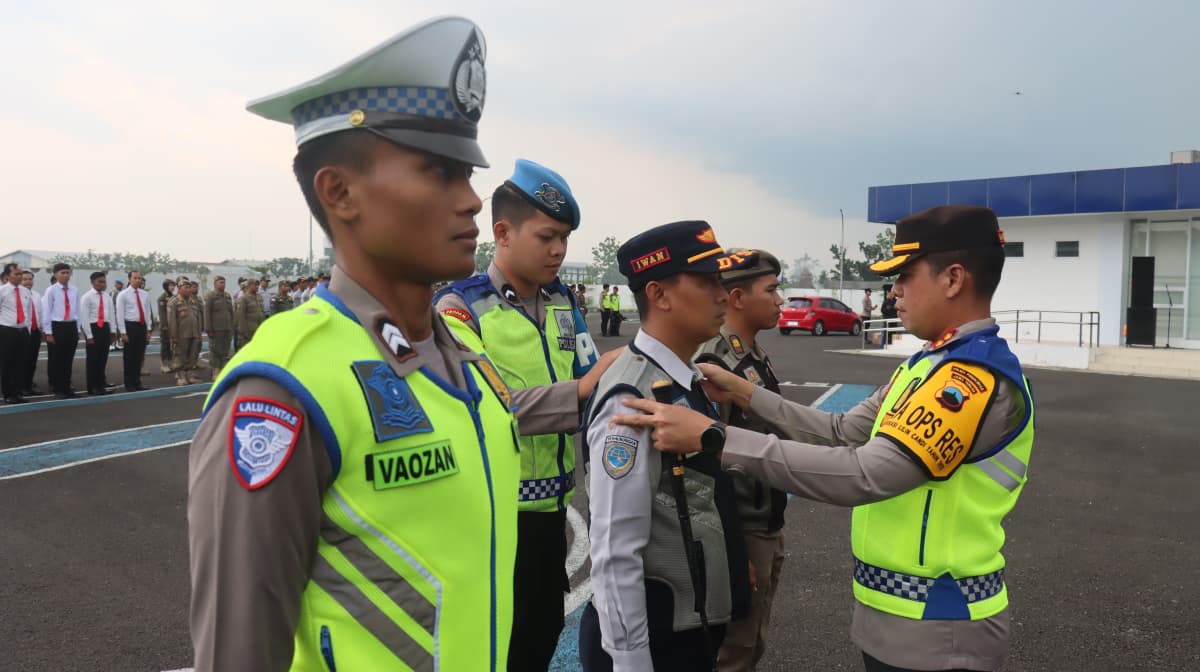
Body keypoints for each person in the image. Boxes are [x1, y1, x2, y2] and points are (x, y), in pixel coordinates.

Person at [188, 16, 522, 672]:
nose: (472, 201)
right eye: (440, 172)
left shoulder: (458, 351)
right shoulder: (284, 385)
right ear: (339, 193)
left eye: (469, 174)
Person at [615, 205, 1034, 672]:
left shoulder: (966, 381)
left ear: (953, 279)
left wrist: (715, 437)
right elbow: (842, 431)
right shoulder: (926, 366)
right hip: (905, 621)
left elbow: (863, 473)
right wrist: (745, 392)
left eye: (905, 275)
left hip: (941, 625)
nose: (893, 291)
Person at [434, 159, 613, 671]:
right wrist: (579, 389)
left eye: (565, 239)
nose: (559, 250)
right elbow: (489, 407)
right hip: (492, 519)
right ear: (502, 233)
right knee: (493, 648)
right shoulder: (460, 309)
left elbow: (591, 379)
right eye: (548, 236)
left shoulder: (563, 303)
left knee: (540, 634)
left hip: (552, 513)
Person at [579, 220, 753, 672]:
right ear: (659, 294)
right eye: (707, 281)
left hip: (686, 625)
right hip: (654, 638)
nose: (722, 295)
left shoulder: (681, 378)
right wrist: (631, 662)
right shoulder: (633, 396)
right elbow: (616, 547)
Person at [693, 249, 788, 672]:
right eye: (771, 290)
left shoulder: (752, 355)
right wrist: (733, 550)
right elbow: (707, 466)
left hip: (765, 521)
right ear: (737, 297)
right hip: (743, 529)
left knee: (752, 644)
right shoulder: (717, 360)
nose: (780, 300)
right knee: (734, 651)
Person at [42, 262, 81, 399]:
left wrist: (77, 328)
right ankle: (58, 388)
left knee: (68, 360)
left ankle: (67, 386)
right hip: (57, 326)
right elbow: (47, 311)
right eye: (62, 273)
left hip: (70, 326)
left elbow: (77, 310)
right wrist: (49, 332)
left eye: (67, 272)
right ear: (55, 275)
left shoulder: (74, 290)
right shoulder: (51, 290)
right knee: (57, 359)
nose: (65, 275)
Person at [0, 263, 33, 404]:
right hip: (7, 330)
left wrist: (28, 330)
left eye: (21, 274)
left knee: (21, 364)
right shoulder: (2, 291)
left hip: (22, 331)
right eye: (16, 274)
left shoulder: (25, 291)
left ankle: (17, 392)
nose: (19, 277)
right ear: (7, 276)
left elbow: (28, 312)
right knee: (7, 363)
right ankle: (8, 394)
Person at [80, 271, 117, 395]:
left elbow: (111, 315)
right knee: (93, 360)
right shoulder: (87, 297)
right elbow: (84, 318)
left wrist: (112, 331)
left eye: (104, 281)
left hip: (105, 328)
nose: (103, 284)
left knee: (102, 359)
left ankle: (101, 385)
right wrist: (89, 335)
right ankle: (93, 387)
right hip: (93, 327)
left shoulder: (107, 297)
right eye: (100, 282)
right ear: (92, 283)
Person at [116, 270, 153, 391]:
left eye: (139, 278)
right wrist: (123, 332)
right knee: (129, 357)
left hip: (141, 326)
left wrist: (148, 330)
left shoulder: (144, 294)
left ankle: (138, 382)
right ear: (129, 279)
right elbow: (120, 314)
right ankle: (129, 383)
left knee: (139, 356)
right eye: (135, 278)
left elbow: (147, 313)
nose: (138, 280)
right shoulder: (123, 294)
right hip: (130, 326)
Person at [169, 280, 205, 385]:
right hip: (181, 334)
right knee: (180, 356)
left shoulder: (194, 301)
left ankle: (189, 376)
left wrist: (199, 333)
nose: (188, 290)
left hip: (194, 333)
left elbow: (198, 318)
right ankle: (181, 377)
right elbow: (172, 320)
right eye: (186, 287)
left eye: (189, 287)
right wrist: (174, 336)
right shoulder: (174, 302)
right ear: (179, 289)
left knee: (192, 356)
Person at [204, 276, 235, 379]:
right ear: (215, 284)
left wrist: (232, 326)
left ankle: (222, 369)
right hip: (216, 328)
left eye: (224, 282)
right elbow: (207, 313)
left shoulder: (227, 296)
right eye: (221, 282)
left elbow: (231, 312)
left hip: (227, 328)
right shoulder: (210, 296)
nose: (223, 284)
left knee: (225, 350)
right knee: (215, 350)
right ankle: (215, 371)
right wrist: (209, 329)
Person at [20, 270, 44, 397]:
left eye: (30, 279)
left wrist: (41, 329)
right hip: (23, 331)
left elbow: (40, 313)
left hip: (35, 331)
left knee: (32, 361)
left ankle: (29, 385)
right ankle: (21, 387)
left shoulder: (36, 295)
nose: (28, 282)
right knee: (21, 361)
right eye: (25, 279)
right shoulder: (17, 294)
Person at [234, 280, 265, 348]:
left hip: (258, 329)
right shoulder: (243, 298)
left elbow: (262, 312)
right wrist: (244, 331)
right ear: (249, 286)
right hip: (248, 330)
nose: (257, 287)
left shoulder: (259, 297)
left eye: (258, 285)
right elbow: (241, 316)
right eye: (255, 285)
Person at [158, 279, 178, 373]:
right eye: (170, 285)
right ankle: (164, 364)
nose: (172, 287)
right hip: (165, 325)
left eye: (173, 285)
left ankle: (171, 363)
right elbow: (162, 313)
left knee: (173, 346)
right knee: (165, 344)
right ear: (166, 286)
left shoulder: (174, 297)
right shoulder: (162, 298)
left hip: (173, 324)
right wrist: (164, 325)